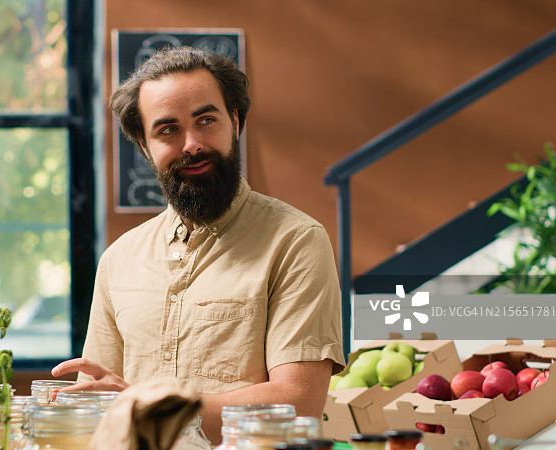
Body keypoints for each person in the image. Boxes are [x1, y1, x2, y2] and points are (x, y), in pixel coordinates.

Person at [51, 46, 345, 443]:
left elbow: (298, 402)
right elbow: (98, 397)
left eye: (206, 120)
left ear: (234, 122)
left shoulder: (296, 241)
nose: (192, 143)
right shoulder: (119, 259)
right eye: (168, 130)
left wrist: (151, 410)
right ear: (144, 145)